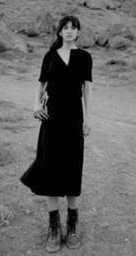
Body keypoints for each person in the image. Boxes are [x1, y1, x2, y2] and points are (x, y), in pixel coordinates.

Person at [20, 14, 92, 251]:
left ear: (78, 32)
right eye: (65, 27)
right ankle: (54, 227)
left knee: (71, 168)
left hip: (74, 120)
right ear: (60, 32)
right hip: (51, 120)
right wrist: (35, 105)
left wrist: (88, 118)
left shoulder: (84, 58)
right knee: (49, 169)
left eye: (74, 28)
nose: (69, 31)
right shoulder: (50, 56)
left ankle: (72, 226)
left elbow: (87, 90)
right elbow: (41, 85)